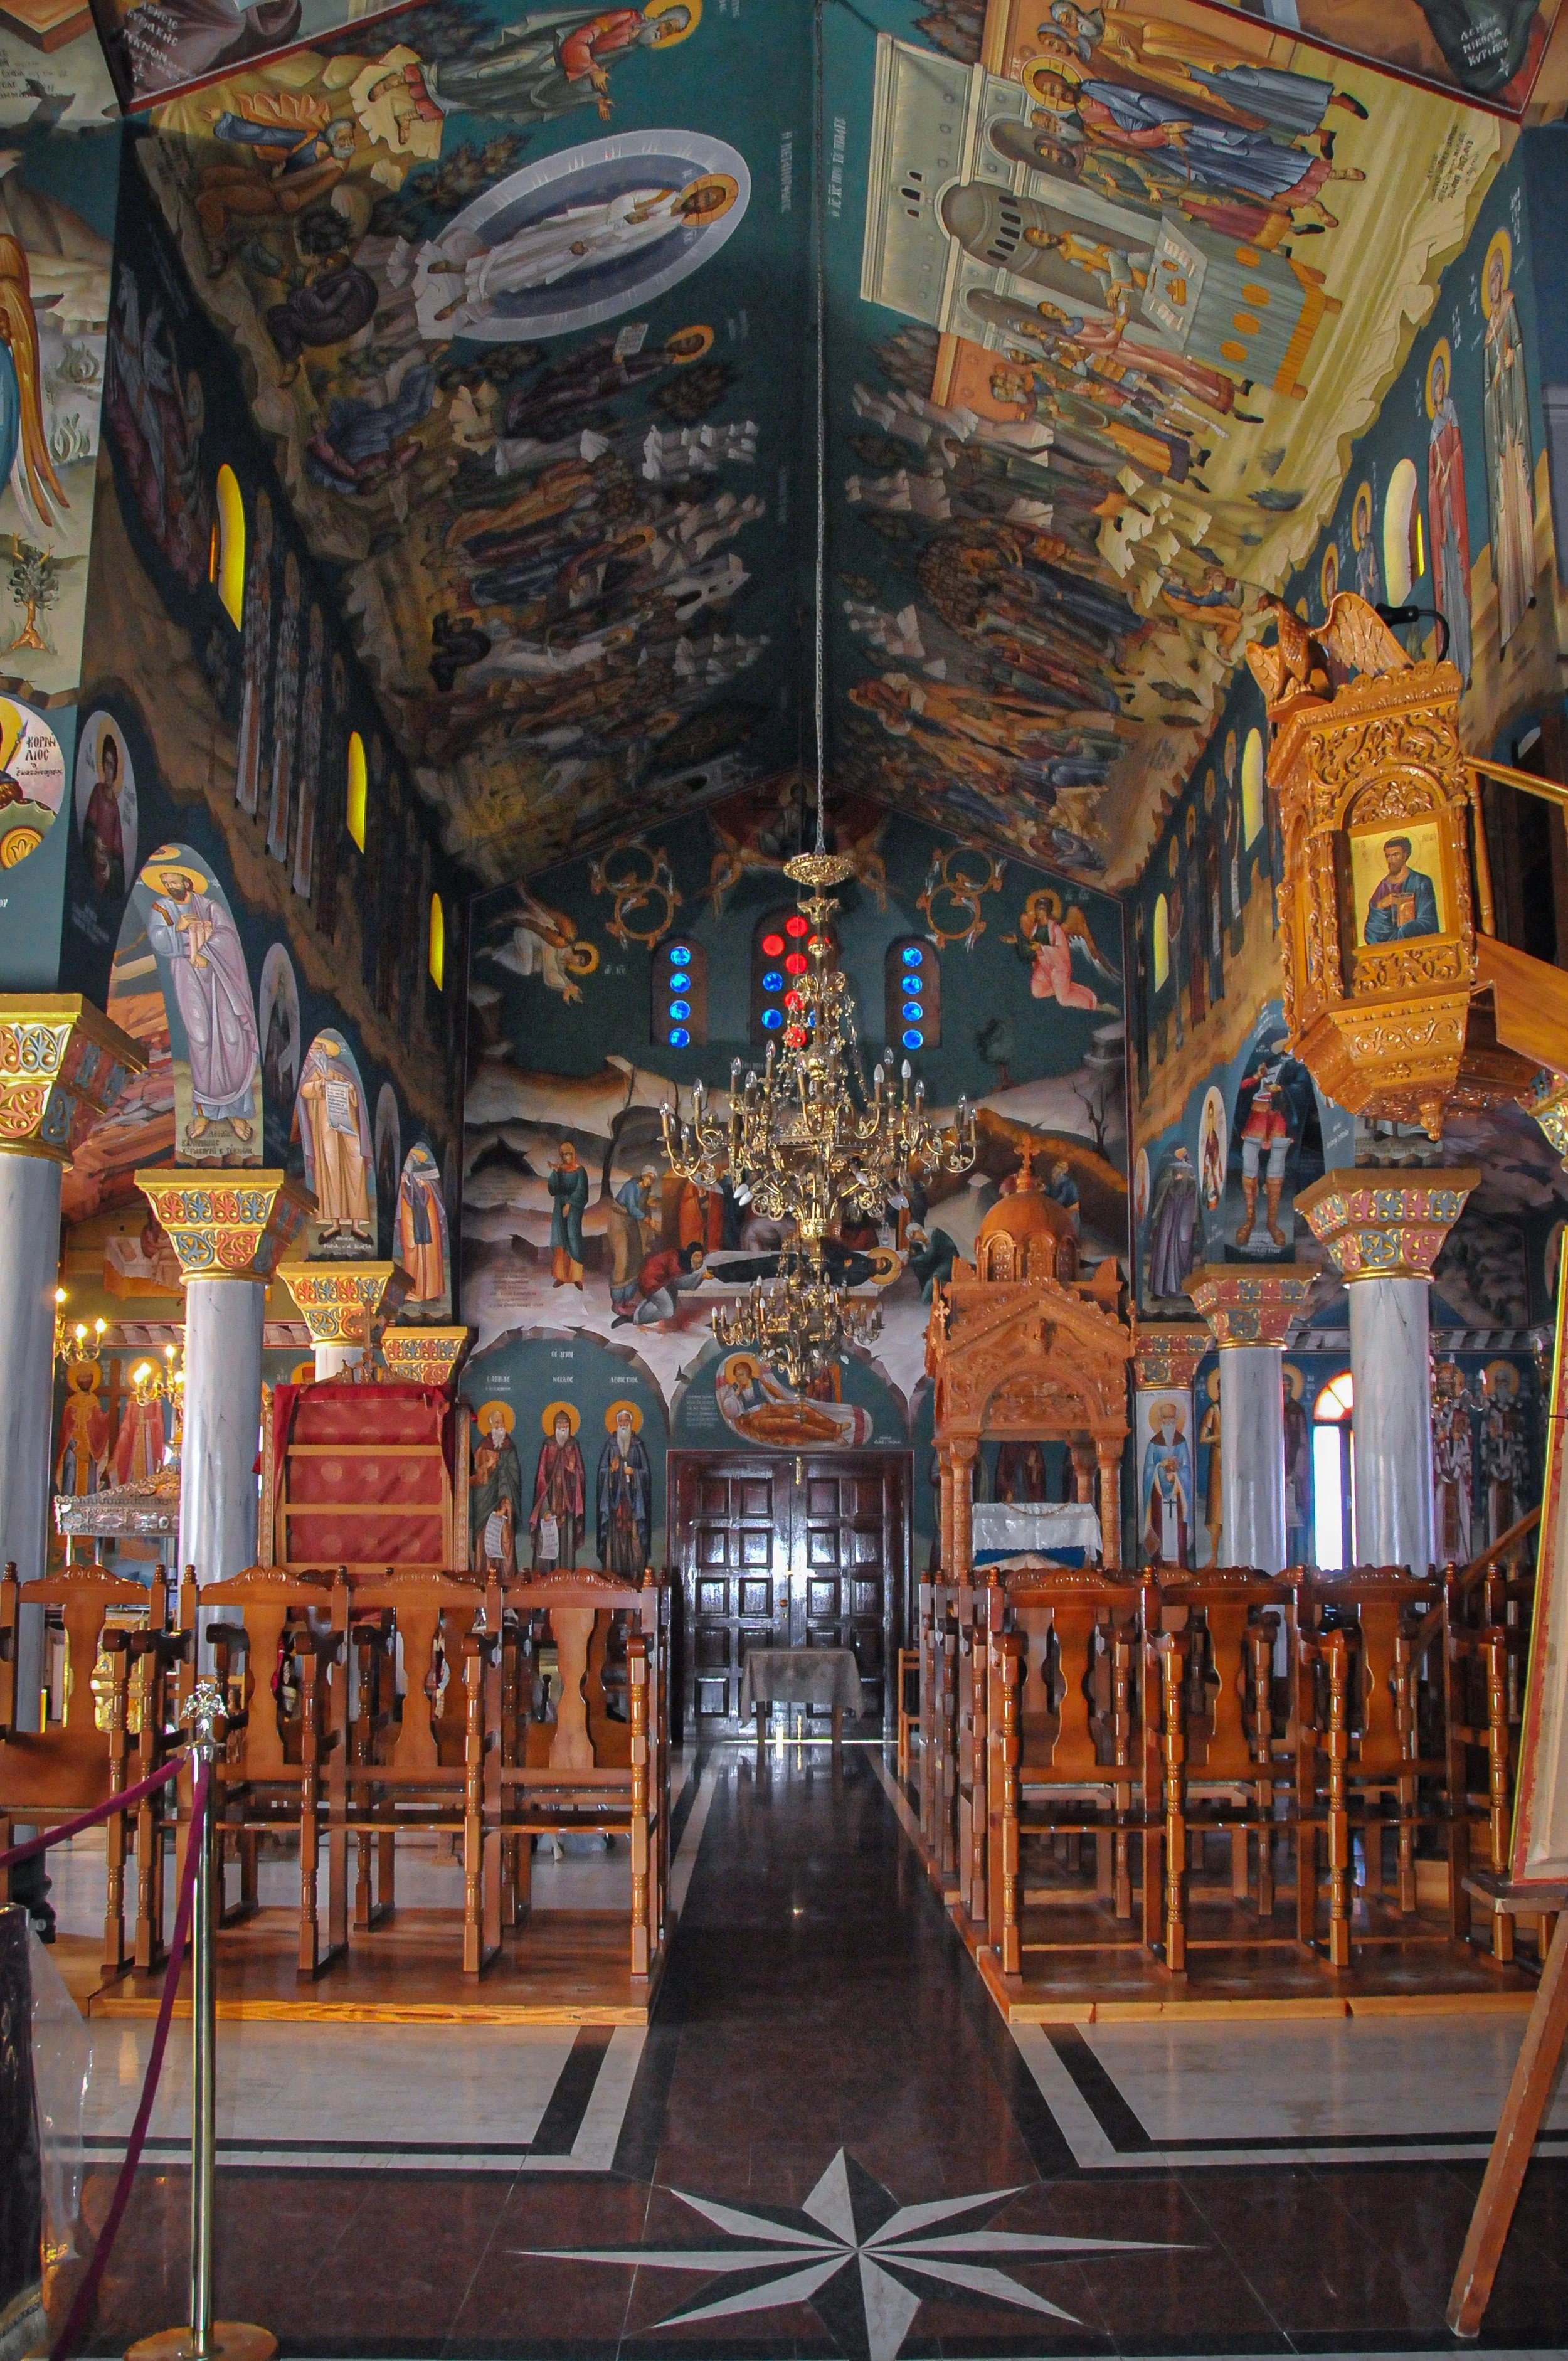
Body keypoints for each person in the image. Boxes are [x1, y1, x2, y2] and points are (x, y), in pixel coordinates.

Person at [146, 860, 258, 1145]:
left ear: (188, 881)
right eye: (167, 883)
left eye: (175, 882)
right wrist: (177, 929)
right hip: (186, 972)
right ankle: (204, 1109)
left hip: (219, 975)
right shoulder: (162, 909)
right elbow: (158, 940)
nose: (171, 888)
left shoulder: (210, 907)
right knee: (201, 1037)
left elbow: (230, 939)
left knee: (231, 1039)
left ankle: (235, 1110)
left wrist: (208, 949)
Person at [297, 1037, 372, 1241]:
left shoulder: (339, 1069)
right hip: (324, 1130)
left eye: (318, 1048)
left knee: (356, 1167)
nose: (314, 1052)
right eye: (312, 1049)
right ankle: (334, 1224)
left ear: (326, 1051)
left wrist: (349, 1090)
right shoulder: (311, 1073)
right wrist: (322, 1085)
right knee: (330, 1171)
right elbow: (304, 1091)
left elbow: (356, 1092)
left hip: (348, 1127)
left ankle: (357, 1225)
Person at [597, 1404, 652, 1575]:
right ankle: (613, 1574)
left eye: (626, 1420)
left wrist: (634, 1472)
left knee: (635, 1537)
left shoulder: (638, 1444)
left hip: (634, 1502)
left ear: (632, 1423)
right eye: (620, 1421)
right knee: (614, 1538)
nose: (623, 1424)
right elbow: (601, 1472)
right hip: (614, 1502)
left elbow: (646, 1474)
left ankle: (635, 1574)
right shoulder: (611, 1444)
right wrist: (611, 1471)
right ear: (616, 1424)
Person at [531, 1406, 586, 1571]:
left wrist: (572, 1472)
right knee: (547, 1537)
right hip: (551, 1498)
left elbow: (580, 1474)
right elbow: (541, 1474)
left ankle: (567, 1572)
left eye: (566, 1423)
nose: (563, 1427)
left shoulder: (573, 1445)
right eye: (560, 1423)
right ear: (555, 1426)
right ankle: (545, 1574)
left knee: (567, 1539)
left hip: (568, 1501)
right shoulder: (549, 1445)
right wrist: (545, 1507)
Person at [471, 1401, 522, 1574]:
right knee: (485, 1537)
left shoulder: (510, 1447)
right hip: (485, 1504)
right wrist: (489, 1466)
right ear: (491, 1425)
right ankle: (483, 1574)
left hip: (505, 1504)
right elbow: (475, 1478)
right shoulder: (482, 1447)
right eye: (496, 1423)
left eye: (502, 1423)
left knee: (505, 1537)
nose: (499, 1426)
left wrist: (506, 1503)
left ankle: (507, 1577)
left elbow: (513, 1475)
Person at [1142, 1402, 1193, 1565]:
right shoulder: (1154, 1443)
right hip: (1158, 1495)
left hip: (1178, 1497)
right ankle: (1158, 1565)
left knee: (1177, 1531)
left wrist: (1177, 1476)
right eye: (1165, 1418)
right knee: (1160, 1528)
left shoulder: (1182, 1441)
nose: (1168, 1422)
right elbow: (1148, 1470)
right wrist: (1159, 1467)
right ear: (1160, 1420)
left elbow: (1186, 1469)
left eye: (1171, 1418)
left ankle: (1180, 1565)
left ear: (1177, 1418)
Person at [1363, 836, 1439, 943]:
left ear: (1405, 855)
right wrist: (1381, 906)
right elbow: (1371, 929)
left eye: (1395, 855)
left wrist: (1405, 929)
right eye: (1388, 856)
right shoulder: (1384, 885)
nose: (1391, 860)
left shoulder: (1421, 882)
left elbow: (1428, 921)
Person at [82, 728, 125, 901]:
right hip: (94, 855)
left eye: (112, 766)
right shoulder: (98, 792)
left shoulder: (115, 804)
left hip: (105, 862)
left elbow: (117, 848)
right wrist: (95, 840)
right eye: (106, 764)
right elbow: (90, 826)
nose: (109, 771)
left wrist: (111, 867)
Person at [548, 1140, 589, 1288]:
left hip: (574, 1209)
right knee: (560, 1239)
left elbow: (581, 1191)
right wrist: (554, 1173)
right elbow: (553, 1190)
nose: (567, 1158)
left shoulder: (580, 1171)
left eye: (569, 1154)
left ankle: (576, 1277)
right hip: (559, 1207)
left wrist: (570, 1204)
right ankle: (561, 1276)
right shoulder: (560, 1170)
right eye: (564, 1155)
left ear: (574, 1154)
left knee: (573, 1238)